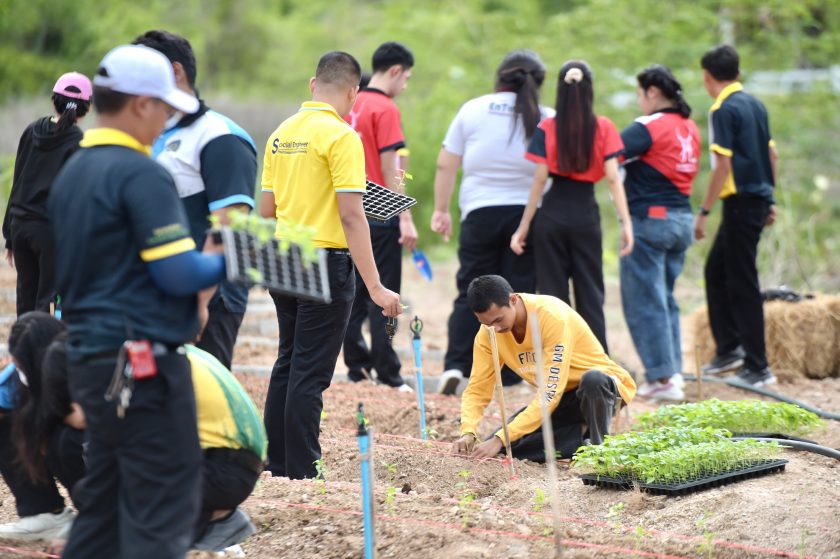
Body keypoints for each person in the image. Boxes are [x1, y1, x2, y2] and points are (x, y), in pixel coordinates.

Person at [47, 44, 227, 559]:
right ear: (141, 104)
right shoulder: (141, 173)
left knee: (103, 510)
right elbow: (178, 273)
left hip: (90, 360)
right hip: (142, 366)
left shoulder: (73, 170)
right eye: (164, 107)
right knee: (163, 507)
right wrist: (232, 259)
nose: (167, 119)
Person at [4, 312, 266, 554]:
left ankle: (213, 530)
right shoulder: (118, 360)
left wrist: (91, 534)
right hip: (224, 461)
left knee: (109, 467)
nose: (73, 417)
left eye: (68, 408)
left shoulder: (134, 379)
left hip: (225, 468)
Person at [259, 51, 401, 480]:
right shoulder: (342, 136)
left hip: (283, 256)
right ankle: (304, 470)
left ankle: (279, 463)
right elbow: (352, 216)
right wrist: (375, 286)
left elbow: (266, 210)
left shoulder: (281, 134)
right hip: (324, 261)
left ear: (312, 84)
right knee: (309, 373)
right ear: (354, 92)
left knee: (288, 362)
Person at [133, 30, 258, 370]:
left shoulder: (221, 136)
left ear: (175, 72)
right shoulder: (151, 135)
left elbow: (229, 224)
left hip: (210, 298)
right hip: (156, 294)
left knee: (202, 390)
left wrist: (199, 302)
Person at [431, 50, 553, 395]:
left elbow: (446, 164)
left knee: (471, 289)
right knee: (519, 295)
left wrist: (441, 209)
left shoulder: (473, 109)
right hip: (528, 217)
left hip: (480, 213)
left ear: (500, 78)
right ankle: (512, 374)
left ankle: (457, 365)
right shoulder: (547, 117)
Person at [511, 60, 633, 354]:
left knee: (553, 298)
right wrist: (626, 223)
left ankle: (559, 365)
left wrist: (524, 226)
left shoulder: (547, 127)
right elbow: (613, 178)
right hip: (586, 216)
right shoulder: (604, 127)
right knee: (591, 294)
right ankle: (597, 365)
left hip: (551, 216)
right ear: (589, 89)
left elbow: (540, 179)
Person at [452, 275, 636, 461]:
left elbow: (549, 392)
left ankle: (598, 448)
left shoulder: (551, 315)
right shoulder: (488, 333)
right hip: (561, 399)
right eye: (487, 323)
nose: (496, 329)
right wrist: (468, 431)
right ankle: (580, 435)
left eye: (499, 319)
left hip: (600, 392)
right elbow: (478, 387)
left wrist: (502, 438)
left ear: (513, 299)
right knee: (502, 447)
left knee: (593, 380)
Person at [695, 45, 778, 386]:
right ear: (738, 72)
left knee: (742, 280)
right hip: (755, 200)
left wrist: (703, 211)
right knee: (715, 271)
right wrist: (770, 198)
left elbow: (722, 166)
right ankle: (729, 349)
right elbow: (772, 156)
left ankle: (758, 367)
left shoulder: (722, 108)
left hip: (741, 203)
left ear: (707, 77)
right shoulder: (755, 104)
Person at [619, 65, 701, 401]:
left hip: (651, 221)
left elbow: (607, 154)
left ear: (652, 92)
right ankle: (672, 372)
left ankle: (662, 377)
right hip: (681, 220)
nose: (640, 101)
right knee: (665, 298)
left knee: (644, 300)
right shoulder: (689, 127)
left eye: (640, 94)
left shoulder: (648, 126)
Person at [342, 41, 416, 391]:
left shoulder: (349, 102)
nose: (405, 86)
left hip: (346, 209)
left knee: (353, 293)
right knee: (384, 294)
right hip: (380, 213)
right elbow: (393, 169)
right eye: (407, 78)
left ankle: (357, 367)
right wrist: (405, 215)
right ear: (396, 71)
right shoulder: (385, 108)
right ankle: (388, 372)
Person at [2, 72, 92, 317]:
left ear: (54, 101)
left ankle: (23, 342)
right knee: (50, 299)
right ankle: (44, 342)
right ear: (87, 108)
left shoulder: (32, 130)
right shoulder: (78, 141)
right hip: (51, 232)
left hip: (21, 226)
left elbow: (18, 181)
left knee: (26, 294)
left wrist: (9, 235)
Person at [0, 315, 74, 541]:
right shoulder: (22, 375)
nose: (16, 365)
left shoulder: (83, 372)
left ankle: (101, 516)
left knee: (67, 440)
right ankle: (44, 511)